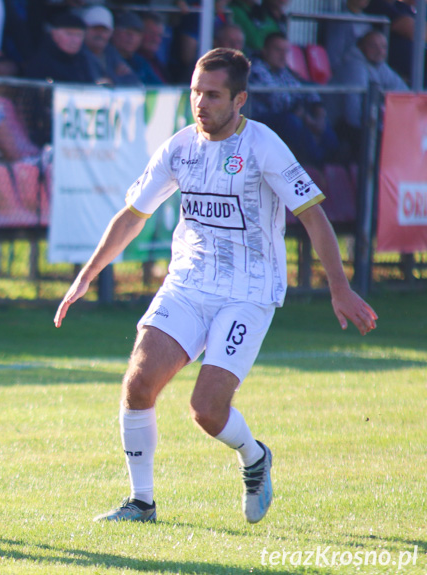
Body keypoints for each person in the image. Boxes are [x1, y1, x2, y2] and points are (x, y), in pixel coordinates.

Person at [54, 47, 377, 525]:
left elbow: (313, 216)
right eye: (194, 93)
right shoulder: (180, 147)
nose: (200, 103)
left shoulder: (264, 146)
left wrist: (340, 287)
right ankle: (141, 503)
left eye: (213, 94)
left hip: (248, 292)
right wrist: (87, 274)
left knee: (205, 410)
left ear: (239, 99)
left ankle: (254, 456)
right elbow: (132, 216)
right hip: (188, 284)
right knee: (139, 384)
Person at [248, 32, 340, 166]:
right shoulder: (256, 69)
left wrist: (318, 111)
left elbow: (307, 92)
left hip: (293, 114)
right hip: (261, 121)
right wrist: (306, 117)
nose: (282, 55)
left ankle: (332, 163)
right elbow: (279, 100)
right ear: (265, 51)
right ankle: (314, 163)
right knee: (290, 120)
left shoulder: (285, 71)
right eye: (277, 50)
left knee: (321, 119)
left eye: (285, 51)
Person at [81, 5, 141, 86]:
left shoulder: (110, 51)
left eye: (104, 30)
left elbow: (134, 81)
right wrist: (115, 78)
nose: (100, 34)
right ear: (84, 30)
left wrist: (112, 81)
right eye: (95, 29)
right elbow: (93, 83)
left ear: (111, 32)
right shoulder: (79, 53)